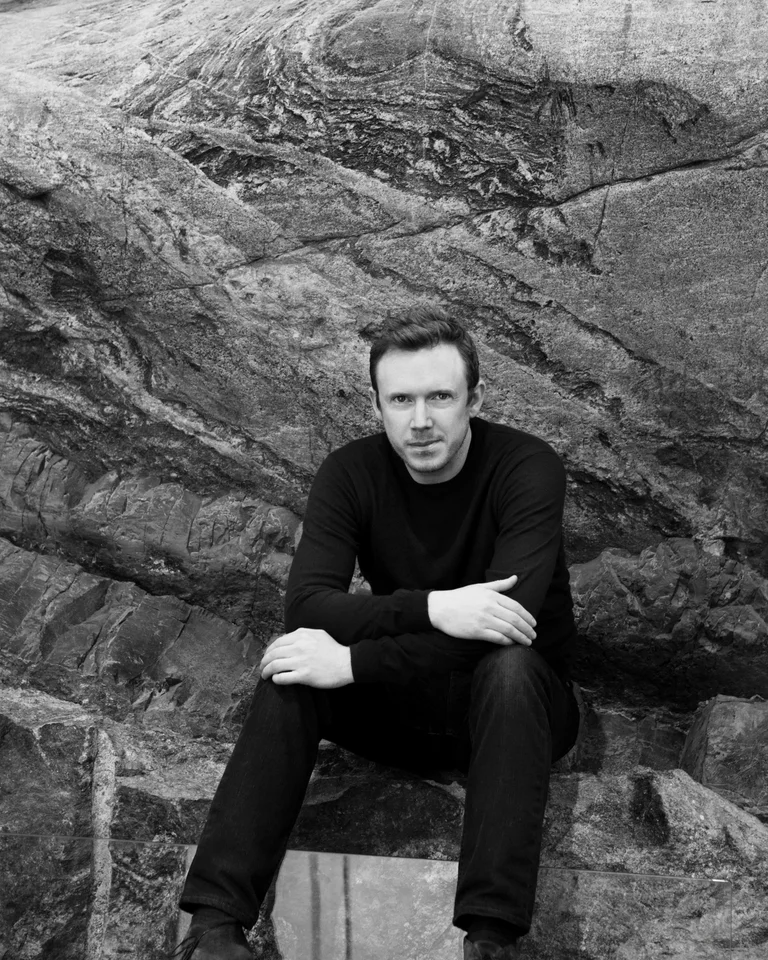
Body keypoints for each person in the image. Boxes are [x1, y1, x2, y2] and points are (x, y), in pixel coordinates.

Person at [174, 309, 580, 960]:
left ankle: (490, 939)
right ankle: (214, 928)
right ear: (377, 405)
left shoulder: (526, 467)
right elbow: (308, 605)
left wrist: (355, 664)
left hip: (516, 714)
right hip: (405, 703)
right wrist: (434, 608)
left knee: (509, 664)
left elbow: (508, 625)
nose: (420, 421)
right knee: (294, 666)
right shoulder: (350, 473)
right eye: (400, 400)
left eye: (440, 397)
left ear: (475, 399)